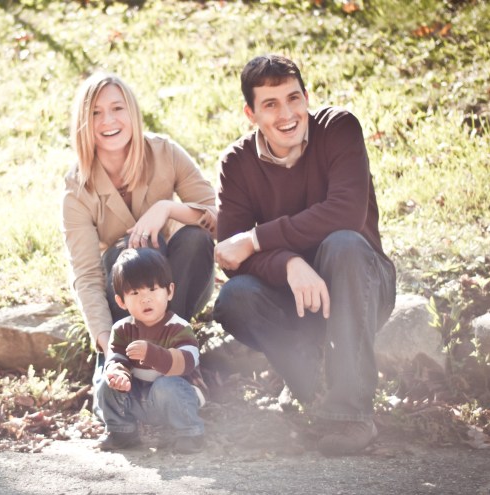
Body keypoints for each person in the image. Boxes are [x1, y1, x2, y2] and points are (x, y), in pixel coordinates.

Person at [213, 54, 396, 456]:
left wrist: (257, 238)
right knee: (235, 298)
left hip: (360, 284)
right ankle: (310, 387)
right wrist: (289, 263)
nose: (287, 114)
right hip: (293, 297)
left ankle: (352, 414)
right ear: (251, 114)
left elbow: (345, 213)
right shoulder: (237, 163)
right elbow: (231, 256)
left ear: (306, 97)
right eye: (271, 104)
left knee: (343, 243)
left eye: (293, 98)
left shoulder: (339, 129)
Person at [61, 72, 216, 402]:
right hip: (124, 303)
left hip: (177, 287)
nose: (108, 121)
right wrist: (108, 347)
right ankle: (123, 363)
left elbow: (216, 216)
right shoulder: (77, 188)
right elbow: (86, 275)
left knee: (194, 238)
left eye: (117, 108)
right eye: (96, 113)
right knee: (124, 253)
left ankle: (180, 354)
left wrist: (166, 208)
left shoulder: (165, 152)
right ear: (84, 123)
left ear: (132, 111)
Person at [95, 248, 206, 453]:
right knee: (106, 382)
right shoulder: (122, 329)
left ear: (169, 291)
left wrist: (152, 354)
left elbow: (187, 362)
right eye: (135, 293)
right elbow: (116, 358)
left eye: (153, 289)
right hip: (139, 398)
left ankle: (189, 431)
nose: (145, 299)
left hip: (177, 397)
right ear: (121, 301)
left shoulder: (178, 327)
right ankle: (122, 432)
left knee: (166, 385)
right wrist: (118, 374)